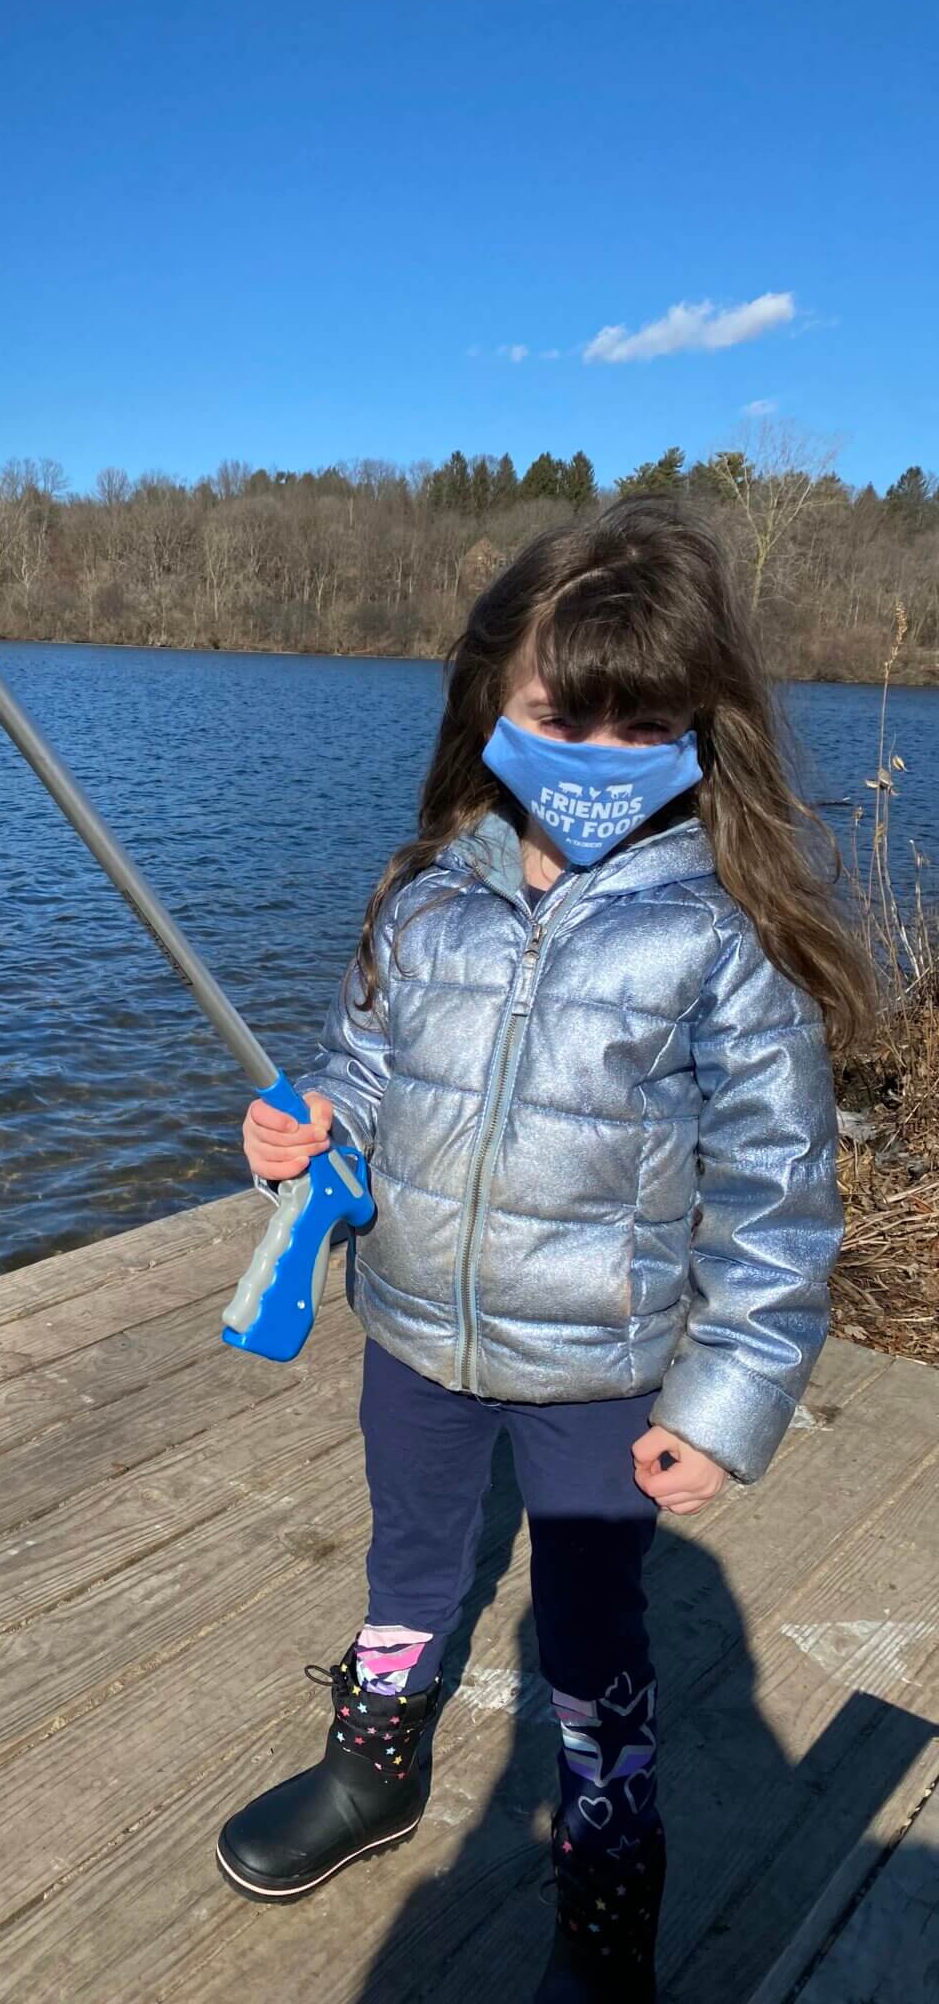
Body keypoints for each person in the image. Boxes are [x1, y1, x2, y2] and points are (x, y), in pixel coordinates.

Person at [214, 495, 877, 2002]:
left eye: (637, 727)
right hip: (415, 1334)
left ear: (700, 731)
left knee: (589, 1627)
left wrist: (722, 1409)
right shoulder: (424, 893)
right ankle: (378, 1755)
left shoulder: (723, 938)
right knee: (410, 1561)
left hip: (600, 1366)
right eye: (556, 720)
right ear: (488, 705)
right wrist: (311, 1121)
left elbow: (777, 1208)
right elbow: (369, 1075)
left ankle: (608, 1855)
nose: (591, 761)